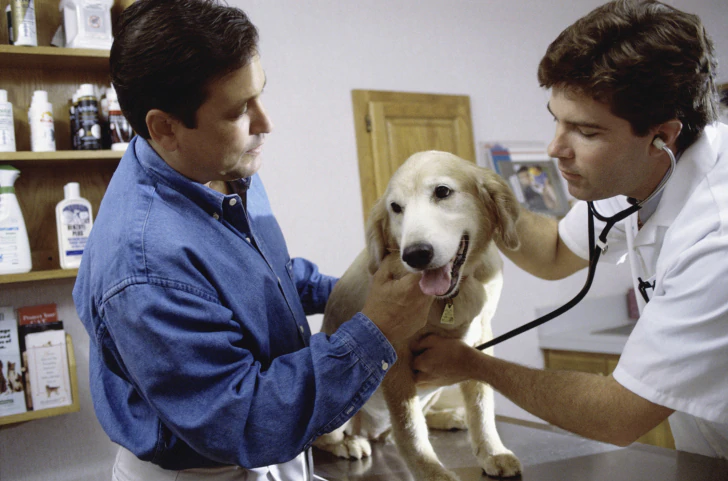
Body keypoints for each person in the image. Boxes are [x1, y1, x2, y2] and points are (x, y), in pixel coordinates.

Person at [72, 1, 433, 480]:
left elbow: (260, 274)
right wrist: (377, 330)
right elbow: (247, 420)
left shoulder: (215, 164)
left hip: (271, 456)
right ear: (165, 127)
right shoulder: (143, 267)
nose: (266, 123)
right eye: (240, 110)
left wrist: (352, 290)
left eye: (260, 95)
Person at [412, 0, 728, 460]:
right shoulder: (639, 171)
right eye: (555, 119)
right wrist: (479, 199)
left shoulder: (717, 238)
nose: (555, 147)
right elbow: (555, 252)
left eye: (586, 132)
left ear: (664, 136)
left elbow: (619, 416)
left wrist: (472, 365)